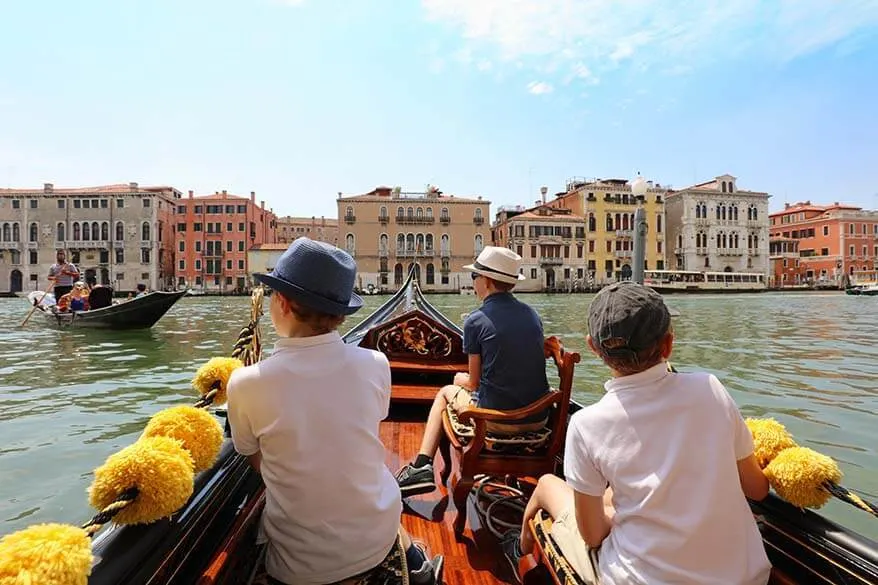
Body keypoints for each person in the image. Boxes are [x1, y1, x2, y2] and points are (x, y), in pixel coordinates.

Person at [506, 282, 772, 585]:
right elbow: (757, 489)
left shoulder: (586, 424)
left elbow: (593, 535)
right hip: (745, 579)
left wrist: (619, 515)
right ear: (668, 345)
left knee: (545, 485)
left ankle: (519, 553)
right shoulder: (710, 388)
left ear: (593, 348)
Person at [225, 238, 442, 585]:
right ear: (341, 314)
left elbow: (253, 457)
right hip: (376, 538)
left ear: (281, 302)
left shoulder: (244, 383)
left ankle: (413, 561)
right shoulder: (376, 363)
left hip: (298, 568)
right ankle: (414, 562)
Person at [395, 246, 550, 497]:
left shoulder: (475, 320)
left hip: (496, 421)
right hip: (538, 418)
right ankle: (423, 467)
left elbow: (474, 383)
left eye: (474, 277)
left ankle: (422, 466)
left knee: (445, 392)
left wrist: (460, 379)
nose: (473, 282)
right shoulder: (532, 315)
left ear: (486, 281)